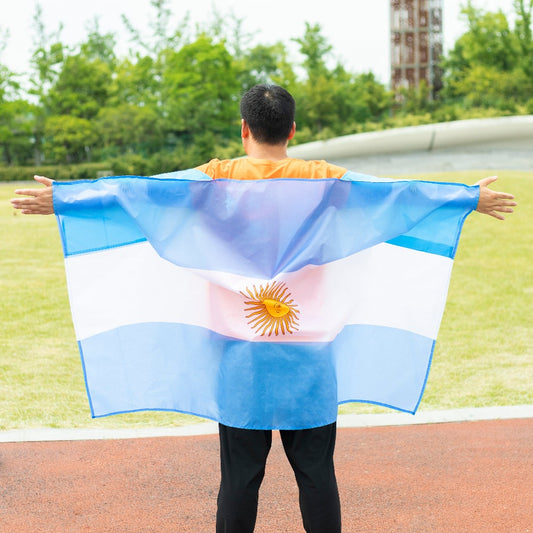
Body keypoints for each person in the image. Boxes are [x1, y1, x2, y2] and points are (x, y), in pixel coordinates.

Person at [11, 84, 516, 533]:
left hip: (241, 353)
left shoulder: (213, 179)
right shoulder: (325, 179)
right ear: (292, 130)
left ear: (244, 128)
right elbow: (394, 197)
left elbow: (138, 194)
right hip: (310, 352)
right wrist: (467, 198)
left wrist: (65, 199)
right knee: (317, 474)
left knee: (240, 478)